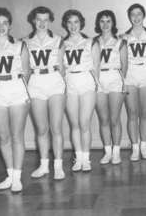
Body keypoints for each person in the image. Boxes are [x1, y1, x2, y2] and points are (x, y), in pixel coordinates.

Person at [0, 7, 29, 192]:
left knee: (17, 135)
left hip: (17, 89)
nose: (1, 26)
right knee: (3, 136)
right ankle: (10, 175)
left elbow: (26, 71)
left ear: (10, 25)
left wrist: (23, 91)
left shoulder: (20, 45)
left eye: (5, 23)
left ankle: (17, 177)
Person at [24, 6, 66, 180]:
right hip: (35, 82)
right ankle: (43, 165)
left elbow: (62, 68)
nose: (42, 23)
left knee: (56, 127)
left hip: (54, 81)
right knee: (41, 129)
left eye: (45, 19)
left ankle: (58, 165)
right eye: (38, 19)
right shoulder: (25, 42)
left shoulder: (58, 40)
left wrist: (62, 85)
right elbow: (25, 69)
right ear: (33, 20)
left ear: (50, 21)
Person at [62, 9, 100, 171]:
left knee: (85, 123)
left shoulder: (91, 42)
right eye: (70, 22)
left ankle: (86, 158)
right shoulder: (61, 44)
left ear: (81, 23)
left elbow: (96, 67)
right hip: (69, 82)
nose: (73, 26)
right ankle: (78, 158)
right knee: (74, 124)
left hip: (86, 82)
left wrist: (96, 85)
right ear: (66, 24)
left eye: (76, 22)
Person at [122, 4, 146, 161]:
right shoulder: (123, 37)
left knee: (145, 113)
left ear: (144, 15)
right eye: (133, 14)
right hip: (130, 74)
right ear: (129, 17)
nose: (136, 17)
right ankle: (135, 148)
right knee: (132, 113)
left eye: (139, 14)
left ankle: (144, 146)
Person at [95, 10, 127, 165]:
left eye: (108, 21)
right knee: (104, 119)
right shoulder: (93, 42)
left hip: (115, 79)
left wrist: (121, 82)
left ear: (113, 23)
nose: (105, 24)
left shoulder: (120, 42)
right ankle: (107, 151)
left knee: (115, 119)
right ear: (98, 23)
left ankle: (116, 152)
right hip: (99, 80)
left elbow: (125, 66)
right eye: (102, 21)